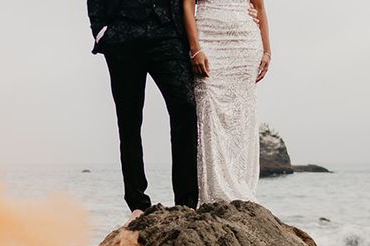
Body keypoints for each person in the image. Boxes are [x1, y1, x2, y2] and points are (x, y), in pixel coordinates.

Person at [87, 0, 199, 222]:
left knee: (185, 107)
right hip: (122, 34)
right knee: (129, 120)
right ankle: (137, 203)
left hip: (168, 32)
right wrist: (101, 32)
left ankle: (186, 202)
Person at [183, 0, 271, 205]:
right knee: (208, 107)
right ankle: (213, 193)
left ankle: (242, 187)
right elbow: (187, 5)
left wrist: (267, 51)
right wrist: (195, 48)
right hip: (208, 39)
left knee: (241, 115)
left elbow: (259, 7)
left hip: (245, 43)